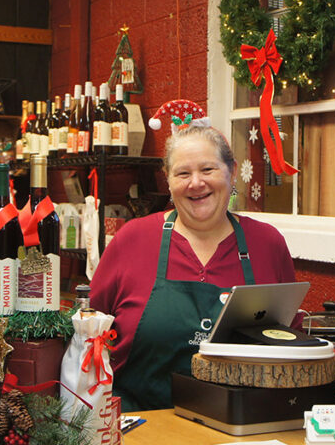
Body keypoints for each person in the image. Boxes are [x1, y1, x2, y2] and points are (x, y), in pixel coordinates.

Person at [90, 100, 296, 411]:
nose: (196, 183)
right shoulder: (132, 240)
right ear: (168, 180)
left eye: (208, 169)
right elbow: (89, 335)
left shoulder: (268, 244)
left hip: (242, 427)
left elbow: (289, 342)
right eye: (182, 173)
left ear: (232, 172)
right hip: (141, 426)